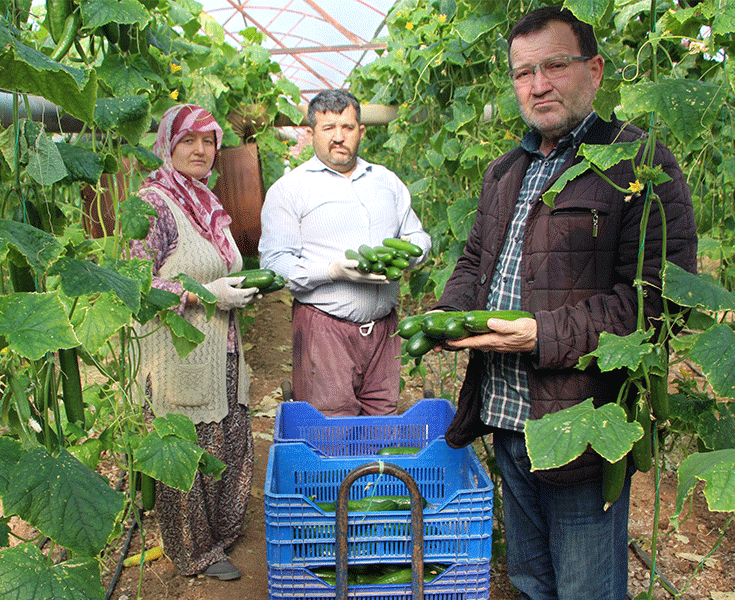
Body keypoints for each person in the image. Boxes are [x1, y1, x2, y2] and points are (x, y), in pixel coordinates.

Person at [432, 8, 697, 599]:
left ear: (594, 71)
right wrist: (447, 317)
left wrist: (539, 334)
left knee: (585, 589)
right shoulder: (506, 171)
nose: (538, 85)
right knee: (530, 579)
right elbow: (476, 263)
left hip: (579, 422)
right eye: (524, 72)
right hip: (505, 415)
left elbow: (657, 303)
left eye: (554, 65)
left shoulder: (640, 163)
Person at [130, 104, 257, 581]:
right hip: (175, 353)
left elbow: (217, 269)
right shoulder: (153, 203)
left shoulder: (206, 202)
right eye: (189, 140)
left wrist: (234, 292)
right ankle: (193, 551)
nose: (201, 150)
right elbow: (137, 284)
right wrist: (204, 292)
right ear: (168, 144)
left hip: (221, 346)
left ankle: (220, 537)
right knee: (187, 451)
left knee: (228, 439)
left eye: (209, 141)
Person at [259, 89, 431, 416]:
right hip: (324, 328)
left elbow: (416, 234)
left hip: (384, 329)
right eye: (328, 128)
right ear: (311, 134)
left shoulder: (386, 181)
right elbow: (275, 264)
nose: (339, 137)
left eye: (348, 128)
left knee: (383, 418)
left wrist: (412, 253)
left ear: (361, 132)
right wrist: (333, 270)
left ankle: (375, 469)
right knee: (332, 424)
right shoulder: (290, 189)